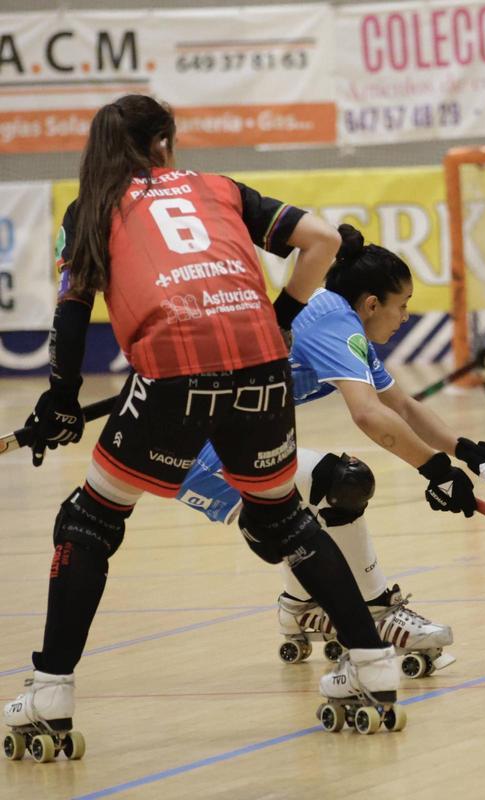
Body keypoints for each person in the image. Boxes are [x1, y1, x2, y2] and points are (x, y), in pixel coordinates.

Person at [2, 95, 399, 760]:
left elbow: (72, 315)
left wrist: (60, 403)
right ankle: (372, 663)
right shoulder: (219, 188)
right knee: (286, 519)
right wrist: (276, 318)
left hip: (174, 372)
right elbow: (323, 241)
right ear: (162, 144)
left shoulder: (90, 209)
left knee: (90, 518)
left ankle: (50, 690)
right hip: (263, 365)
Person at [174, 224, 485, 678]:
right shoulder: (335, 324)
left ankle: (300, 605)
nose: (404, 317)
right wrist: (435, 469)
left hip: (228, 443)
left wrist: (467, 451)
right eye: (402, 306)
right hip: (199, 453)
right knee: (340, 482)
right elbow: (366, 415)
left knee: (312, 496)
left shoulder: (338, 317)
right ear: (371, 304)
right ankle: (379, 610)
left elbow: (400, 404)